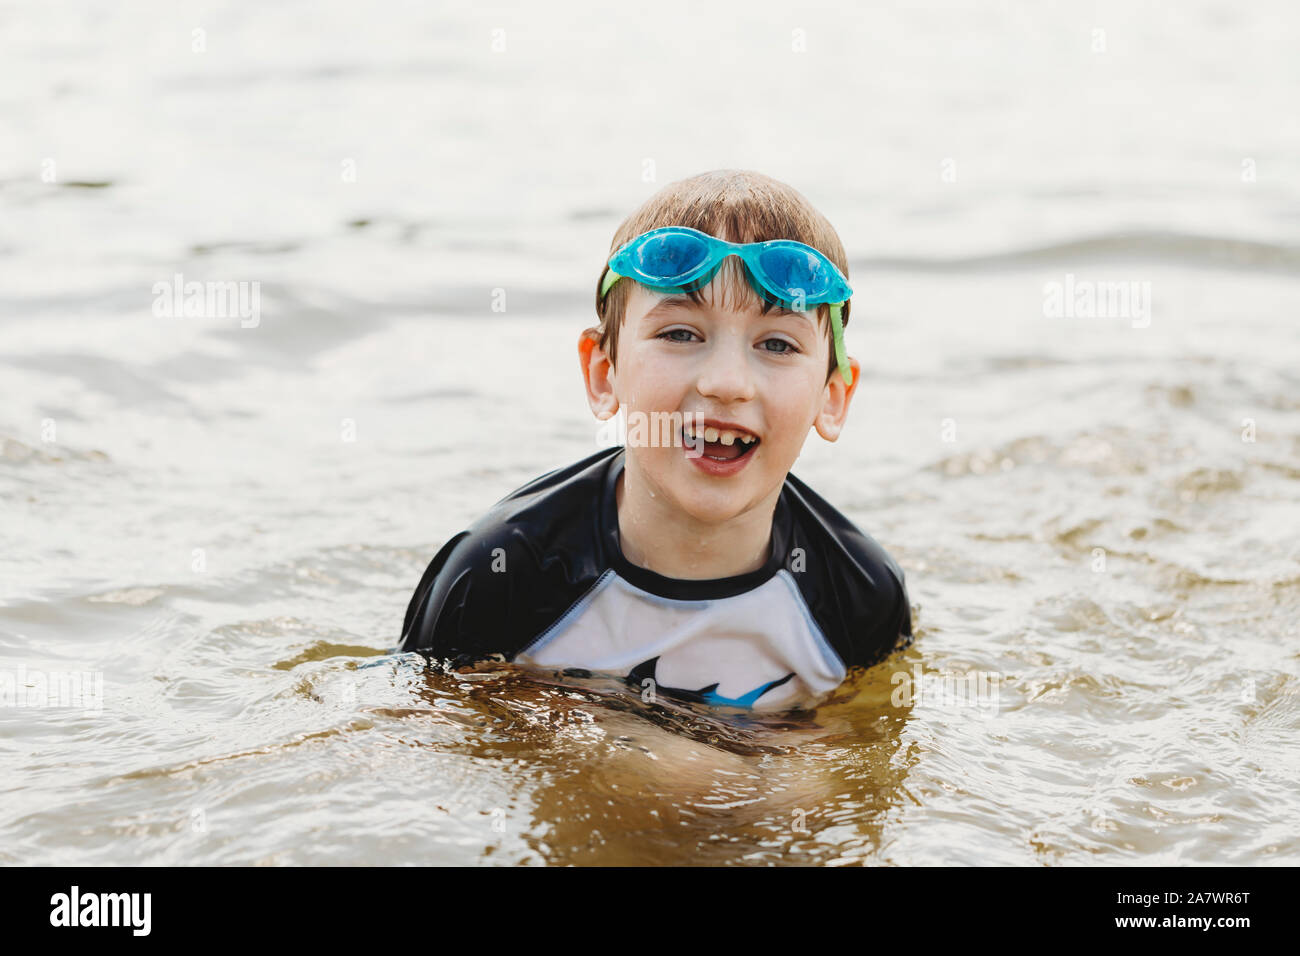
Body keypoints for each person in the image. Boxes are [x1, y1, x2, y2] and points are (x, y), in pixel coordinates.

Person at [398, 169, 913, 712]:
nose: (727, 383)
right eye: (680, 334)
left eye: (778, 344)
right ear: (603, 373)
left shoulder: (860, 597)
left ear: (832, 397)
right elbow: (422, 741)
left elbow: (858, 752)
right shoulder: (502, 573)